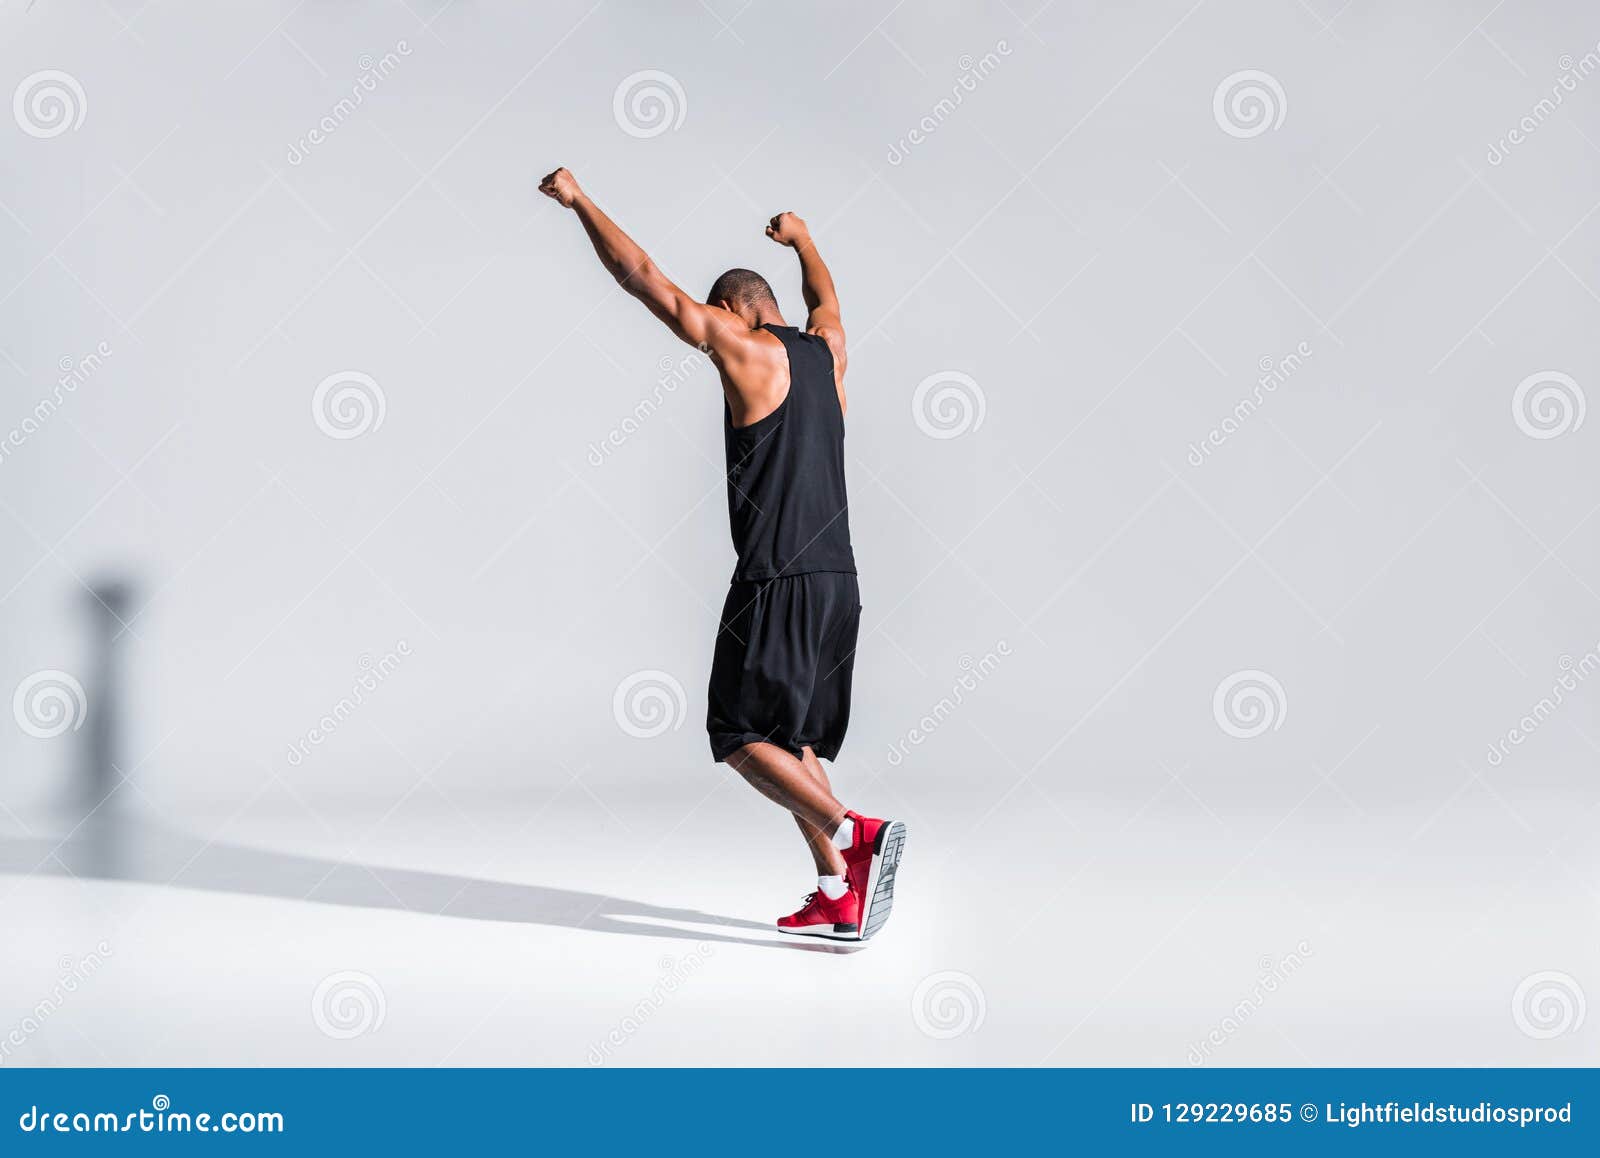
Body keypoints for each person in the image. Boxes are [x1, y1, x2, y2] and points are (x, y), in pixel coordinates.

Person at [539, 166, 905, 941]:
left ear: (737, 310)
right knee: (793, 741)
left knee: (738, 736)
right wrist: (804, 237)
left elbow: (646, 282)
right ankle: (840, 890)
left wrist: (580, 202)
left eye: (718, 311)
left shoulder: (743, 346)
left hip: (776, 577)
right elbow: (827, 301)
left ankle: (856, 832)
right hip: (840, 580)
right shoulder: (827, 353)